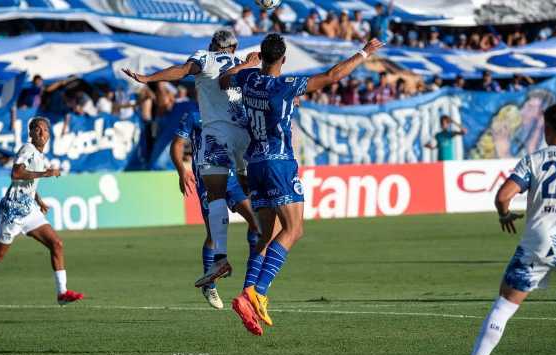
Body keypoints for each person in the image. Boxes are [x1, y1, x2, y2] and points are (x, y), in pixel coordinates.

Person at [220, 34, 383, 336]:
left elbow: (224, 82)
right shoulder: (286, 85)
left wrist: (245, 65)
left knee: (265, 233)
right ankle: (259, 292)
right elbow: (333, 75)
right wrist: (364, 52)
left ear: (263, 56)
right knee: (294, 229)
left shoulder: (248, 81)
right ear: (282, 59)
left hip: (254, 162)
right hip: (278, 161)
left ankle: (247, 295)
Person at [122, 30, 258, 288]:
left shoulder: (207, 58)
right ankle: (253, 281)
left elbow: (182, 70)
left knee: (221, 199)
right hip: (243, 137)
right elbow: (234, 91)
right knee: (254, 210)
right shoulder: (241, 65)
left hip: (219, 137)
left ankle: (223, 260)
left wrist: (148, 78)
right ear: (234, 46)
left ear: (212, 45)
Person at [470, 104, 556, 355]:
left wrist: (504, 214)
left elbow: (503, 196)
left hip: (538, 242)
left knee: (504, 306)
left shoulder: (534, 160)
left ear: (546, 129)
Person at [0, 117, 84, 305]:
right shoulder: (27, 150)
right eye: (37, 129)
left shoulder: (40, 155)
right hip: (12, 211)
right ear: (30, 133)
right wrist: (45, 173)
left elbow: (29, 182)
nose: (42, 133)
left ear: (49, 134)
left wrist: (38, 200)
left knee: (56, 243)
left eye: (45, 130)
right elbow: (16, 174)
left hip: (29, 209)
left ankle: (62, 293)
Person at [170, 109, 261, 309]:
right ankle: (209, 284)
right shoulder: (193, 115)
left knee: (257, 225)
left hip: (233, 179)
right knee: (215, 235)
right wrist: (182, 171)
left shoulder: (234, 110)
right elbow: (176, 144)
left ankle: (251, 285)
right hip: (207, 180)